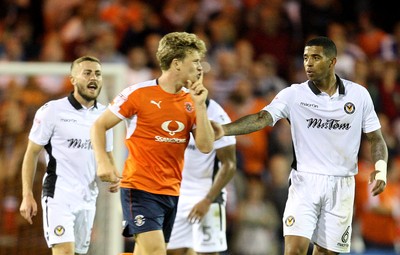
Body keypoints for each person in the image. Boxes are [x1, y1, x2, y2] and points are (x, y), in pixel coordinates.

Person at [213, 36, 389, 255]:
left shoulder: (358, 95)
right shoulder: (293, 94)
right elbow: (261, 118)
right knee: (294, 250)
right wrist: (224, 129)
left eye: (316, 57)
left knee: (326, 252)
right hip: (304, 182)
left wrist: (380, 170)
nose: (309, 63)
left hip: (342, 184)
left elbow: (376, 138)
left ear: (333, 62)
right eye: (306, 58)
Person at [90, 32, 215, 255]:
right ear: (176, 63)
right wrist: (103, 162)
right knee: (156, 251)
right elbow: (98, 126)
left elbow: (205, 146)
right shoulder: (138, 94)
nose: (200, 68)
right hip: (139, 188)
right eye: (195, 61)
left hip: (172, 191)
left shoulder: (191, 100)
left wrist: (201, 106)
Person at [19, 56, 119, 255]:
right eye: (87, 72)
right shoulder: (52, 111)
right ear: (73, 79)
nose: (94, 77)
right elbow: (31, 153)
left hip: (89, 196)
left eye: (98, 73)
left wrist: (115, 173)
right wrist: (27, 194)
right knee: (64, 252)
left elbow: (107, 152)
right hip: (59, 195)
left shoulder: (106, 115)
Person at [167, 98, 236, 255]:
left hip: (206, 194)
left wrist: (208, 200)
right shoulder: (171, 109)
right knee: (173, 251)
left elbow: (229, 165)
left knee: (207, 253)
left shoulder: (218, 116)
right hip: (176, 193)